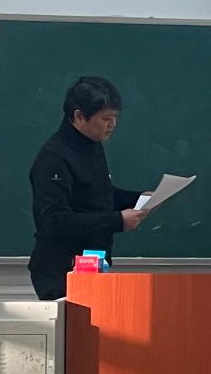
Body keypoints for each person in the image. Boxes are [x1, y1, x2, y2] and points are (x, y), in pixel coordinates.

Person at [28, 75, 145, 301]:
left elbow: (97, 195)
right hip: (62, 273)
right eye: (106, 119)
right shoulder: (54, 158)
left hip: (92, 265)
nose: (112, 125)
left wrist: (140, 199)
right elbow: (55, 220)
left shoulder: (91, 144)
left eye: (115, 118)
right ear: (79, 116)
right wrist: (118, 220)